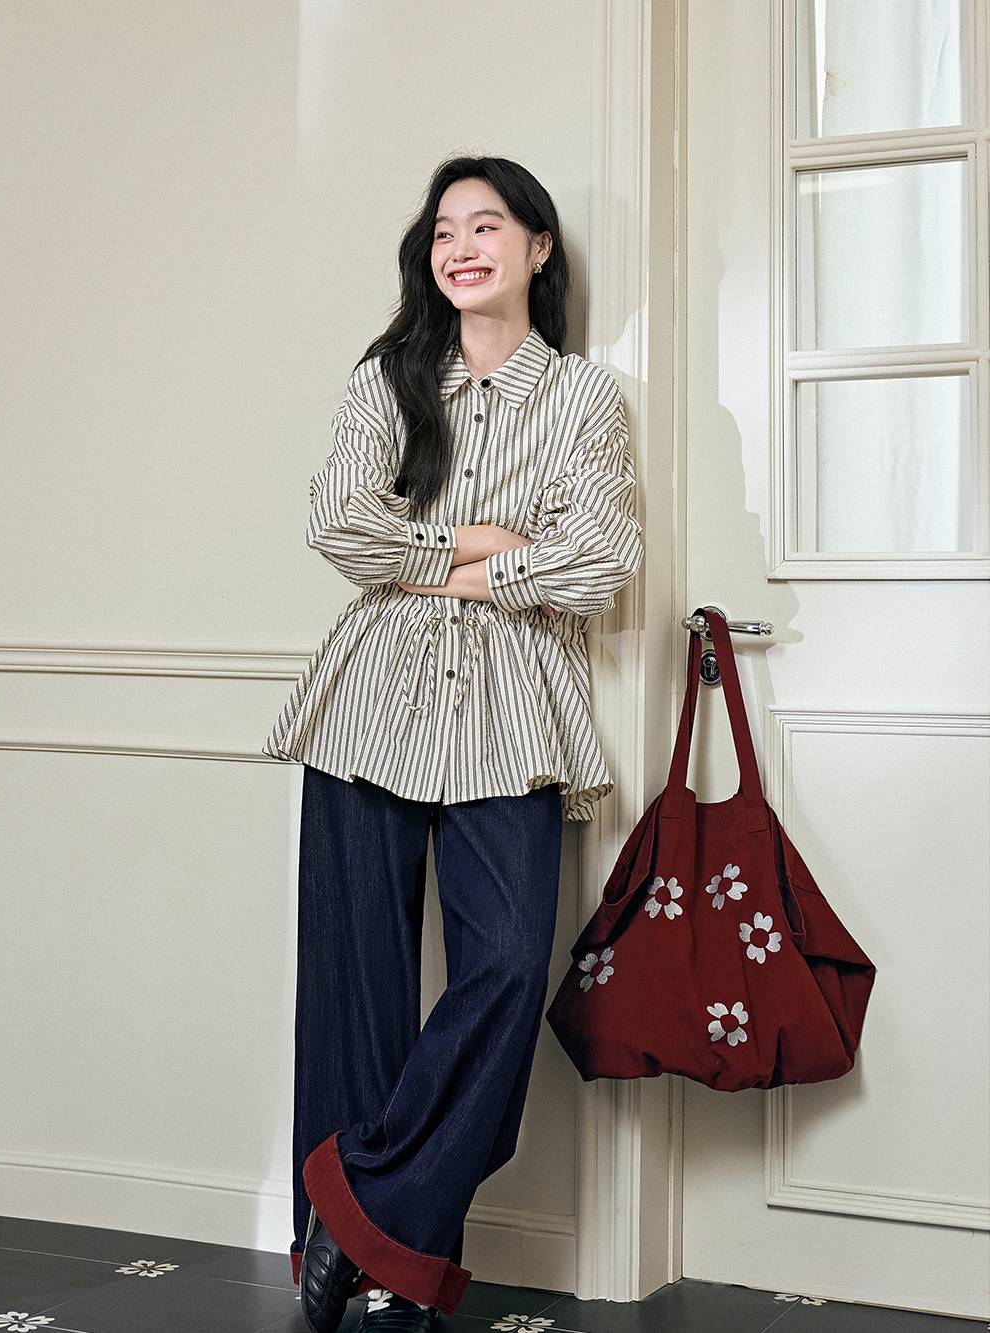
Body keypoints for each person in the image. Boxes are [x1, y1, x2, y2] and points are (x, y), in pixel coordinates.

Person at [262, 154, 644, 1333]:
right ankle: (381, 1274)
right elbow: (340, 527)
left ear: (538, 247)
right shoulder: (388, 381)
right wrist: (483, 546)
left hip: (513, 709)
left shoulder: (583, 398)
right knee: (356, 987)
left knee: (507, 965)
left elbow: (600, 562)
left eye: (486, 225)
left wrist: (436, 561)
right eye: (443, 230)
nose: (460, 247)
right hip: (367, 702)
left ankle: (362, 1218)